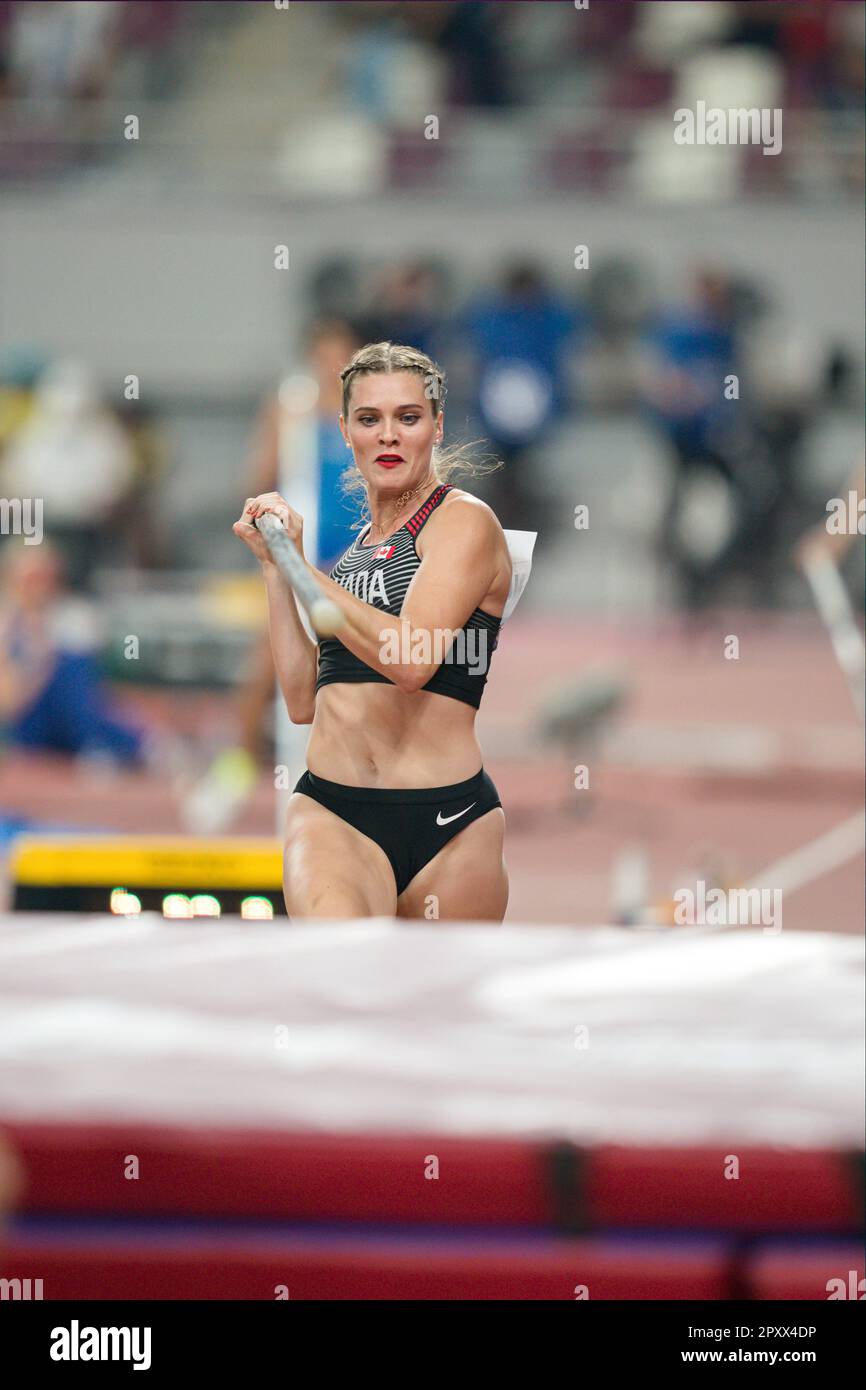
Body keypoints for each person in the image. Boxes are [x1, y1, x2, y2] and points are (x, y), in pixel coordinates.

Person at [233, 341, 516, 922]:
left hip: (451, 825)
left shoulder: (463, 523)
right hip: (335, 813)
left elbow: (412, 662)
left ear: (436, 427)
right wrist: (276, 567)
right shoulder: (355, 555)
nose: (388, 435)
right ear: (344, 430)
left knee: (440, 1012)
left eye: (407, 418)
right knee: (343, 984)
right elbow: (300, 699)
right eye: (369, 419)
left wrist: (305, 570)